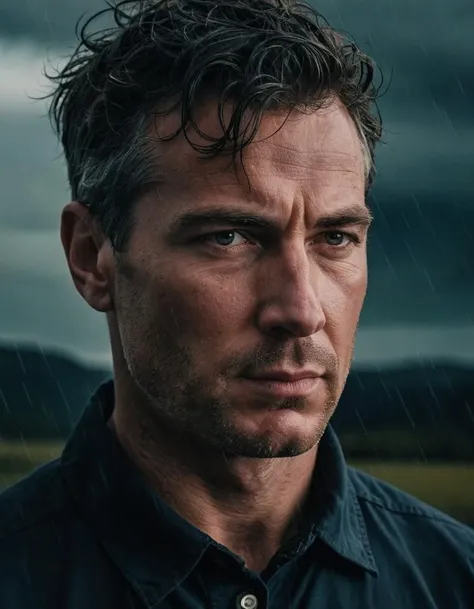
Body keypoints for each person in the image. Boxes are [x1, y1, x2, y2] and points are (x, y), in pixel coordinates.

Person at [1, 0, 473, 607]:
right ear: (93, 257)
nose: (302, 310)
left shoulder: (454, 582)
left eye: (335, 238)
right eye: (229, 237)